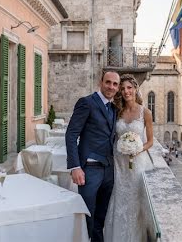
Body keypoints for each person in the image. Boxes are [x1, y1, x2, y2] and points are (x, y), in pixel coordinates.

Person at [65, 71, 120, 242]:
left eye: (115, 84)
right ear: (100, 82)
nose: (111, 87)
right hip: (89, 170)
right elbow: (71, 134)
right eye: (108, 82)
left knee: (100, 219)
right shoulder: (86, 102)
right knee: (87, 216)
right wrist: (75, 167)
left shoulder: (114, 108)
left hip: (109, 171)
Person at [104, 74, 156, 242]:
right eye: (123, 88)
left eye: (129, 88)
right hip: (118, 163)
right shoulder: (116, 111)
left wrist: (138, 149)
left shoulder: (145, 112)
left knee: (134, 200)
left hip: (136, 162)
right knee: (119, 198)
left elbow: (150, 142)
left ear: (135, 89)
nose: (126, 91)